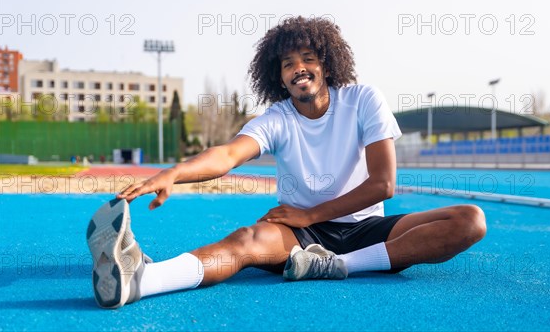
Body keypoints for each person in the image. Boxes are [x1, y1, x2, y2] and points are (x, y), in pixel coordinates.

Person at [86, 16, 486, 309]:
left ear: (326, 64)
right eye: (288, 63)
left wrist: (311, 214)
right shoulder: (277, 118)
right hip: (299, 237)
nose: (299, 68)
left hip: (362, 228)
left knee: (469, 220)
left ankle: (339, 266)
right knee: (244, 241)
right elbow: (227, 154)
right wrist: (175, 172)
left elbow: (383, 185)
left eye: (308, 58)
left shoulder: (364, 100)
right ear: (279, 78)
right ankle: (143, 278)